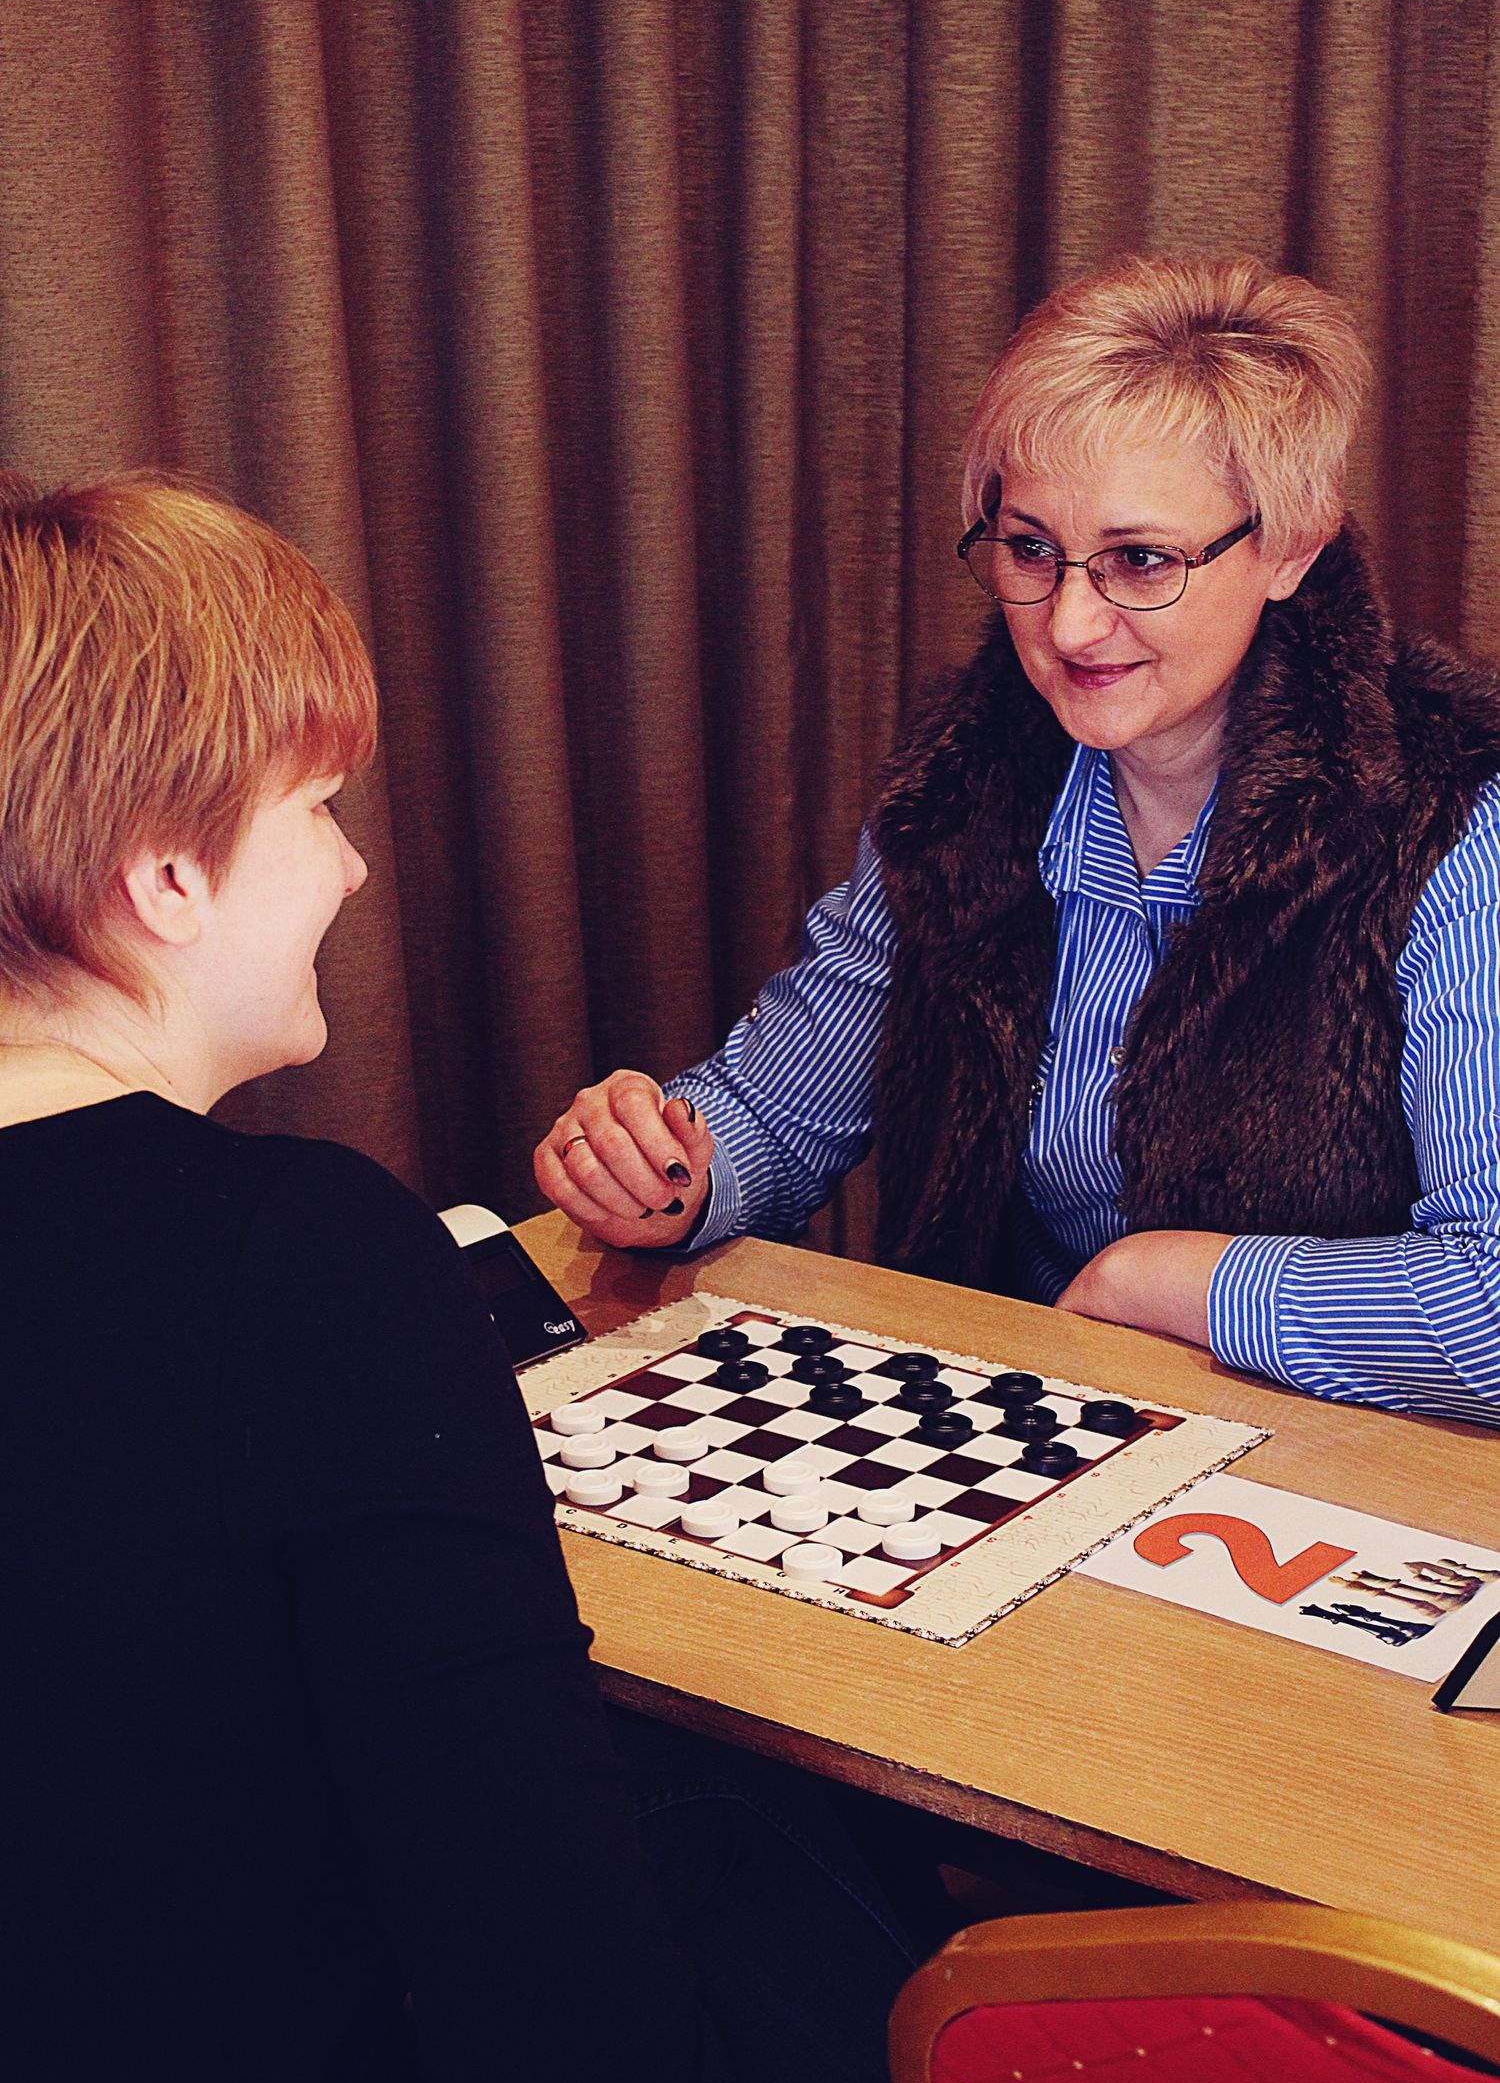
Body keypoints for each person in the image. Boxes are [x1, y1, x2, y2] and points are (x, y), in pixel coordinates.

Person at [0, 474, 912, 2083]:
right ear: (166, 876)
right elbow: (557, 2004)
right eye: (316, 805)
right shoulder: (303, 1259)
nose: (354, 869)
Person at [536, 255, 1500, 1426]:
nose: (1072, 624)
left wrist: (1166, 1282)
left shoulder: (1455, 818)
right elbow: (778, 1114)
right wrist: (663, 1172)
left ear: (1291, 548)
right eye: (1031, 549)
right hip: (1029, 1436)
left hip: (1345, 1473)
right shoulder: (968, 782)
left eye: (1142, 560)